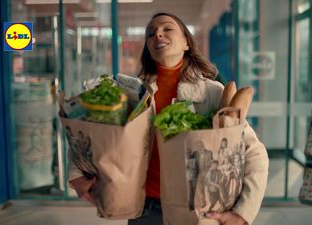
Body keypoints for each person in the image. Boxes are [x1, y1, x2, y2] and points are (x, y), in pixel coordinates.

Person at [68, 12, 269, 225]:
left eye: (167, 29)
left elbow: (253, 152)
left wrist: (243, 213)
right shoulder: (131, 93)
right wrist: (75, 173)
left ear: (186, 43)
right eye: (151, 33)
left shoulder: (213, 93)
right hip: (144, 210)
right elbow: (94, 132)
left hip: (196, 211)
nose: (158, 35)